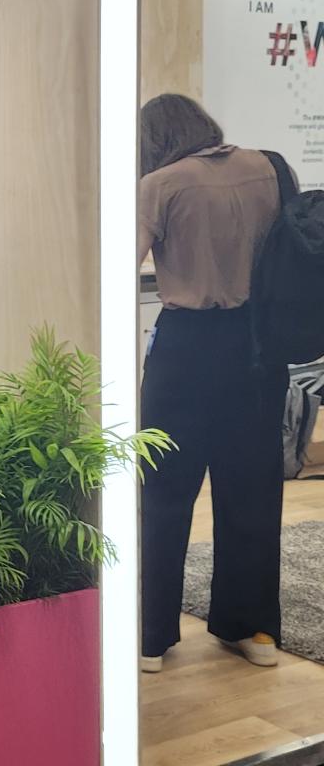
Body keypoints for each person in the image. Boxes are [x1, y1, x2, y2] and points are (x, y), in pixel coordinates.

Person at [137, 93, 288, 673]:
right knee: (252, 489)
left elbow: (120, 262)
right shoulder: (268, 168)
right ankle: (252, 631)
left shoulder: (161, 184)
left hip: (187, 349)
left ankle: (151, 637)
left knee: (163, 492)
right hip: (256, 348)